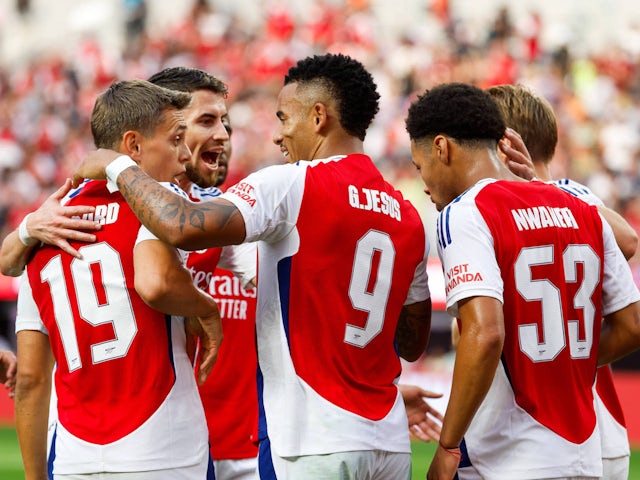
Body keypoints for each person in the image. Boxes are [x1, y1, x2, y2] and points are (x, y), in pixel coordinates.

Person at [72, 53, 432, 479]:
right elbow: (410, 341)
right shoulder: (407, 215)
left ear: (318, 117)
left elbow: (181, 225)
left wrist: (117, 165)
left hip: (310, 441)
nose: (278, 135)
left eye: (283, 117)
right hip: (387, 439)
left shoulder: (291, 184)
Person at [404, 82, 640, 480]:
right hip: (585, 451)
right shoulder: (582, 207)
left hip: (507, 455)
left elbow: (484, 334)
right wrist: (564, 362)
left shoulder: (466, 212)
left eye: (420, 165)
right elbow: (633, 325)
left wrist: (447, 445)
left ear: (441, 149)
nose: (424, 182)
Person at [14, 79, 222, 480]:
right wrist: (206, 309)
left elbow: (31, 379)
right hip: (164, 446)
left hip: (76, 455)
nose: (184, 155)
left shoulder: (44, 228)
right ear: (134, 147)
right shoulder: (159, 204)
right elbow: (157, 282)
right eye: (176, 138)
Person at [487, 83, 638, 480]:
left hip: (575, 422)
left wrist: (539, 191)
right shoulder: (561, 199)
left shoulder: (567, 194)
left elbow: (628, 240)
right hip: (573, 426)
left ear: (504, 145)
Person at [148, 66, 259, 480]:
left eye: (225, 123)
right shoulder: (101, 197)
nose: (224, 136)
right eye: (208, 121)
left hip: (192, 440)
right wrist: (28, 233)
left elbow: (268, 278)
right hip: (119, 434)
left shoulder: (213, 211)